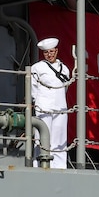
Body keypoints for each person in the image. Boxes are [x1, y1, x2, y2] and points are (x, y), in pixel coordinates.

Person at [30, 37, 72, 169]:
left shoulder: (64, 69)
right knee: (41, 136)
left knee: (59, 137)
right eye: (46, 52)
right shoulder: (37, 67)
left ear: (56, 51)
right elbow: (33, 88)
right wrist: (38, 102)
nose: (49, 55)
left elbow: (65, 87)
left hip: (60, 106)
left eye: (52, 51)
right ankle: (39, 164)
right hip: (43, 105)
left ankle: (59, 165)